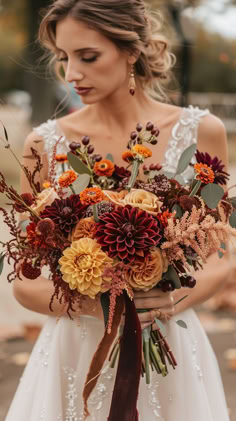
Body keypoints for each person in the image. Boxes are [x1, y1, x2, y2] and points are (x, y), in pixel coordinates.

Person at [5, 1, 232, 420]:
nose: (71, 74)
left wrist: (171, 298)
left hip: (168, 342)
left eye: (88, 57)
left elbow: (220, 259)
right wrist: (100, 306)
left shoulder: (203, 133)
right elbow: (24, 281)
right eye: (64, 58)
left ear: (132, 51)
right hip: (73, 349)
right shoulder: (43, 145)